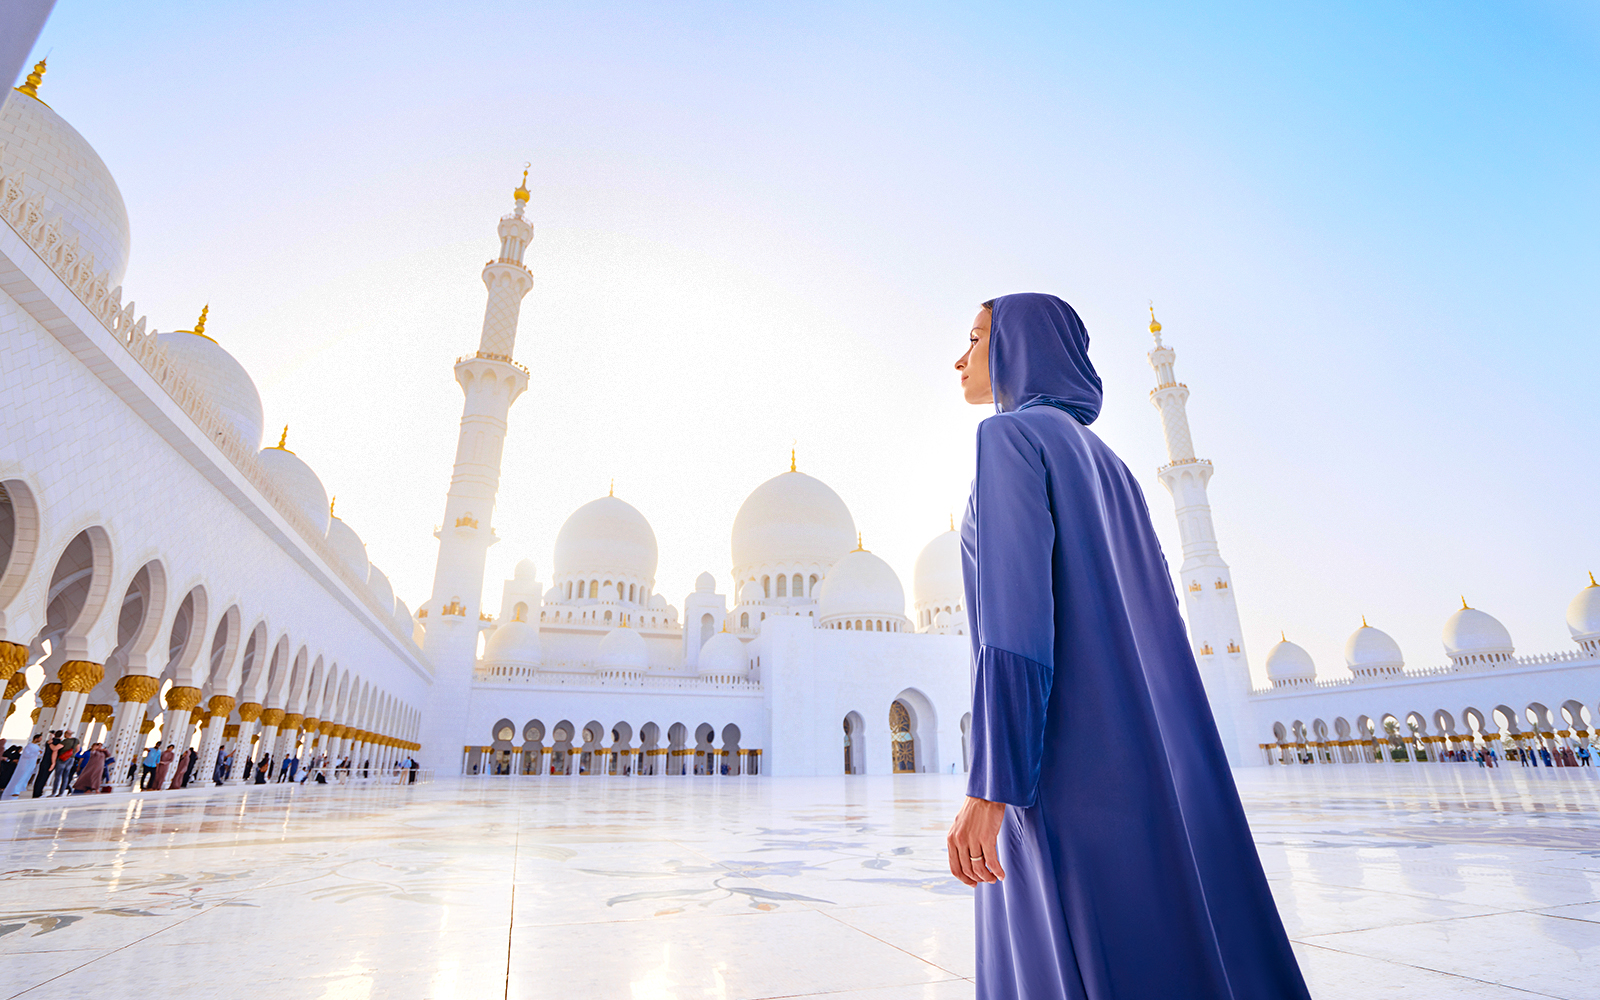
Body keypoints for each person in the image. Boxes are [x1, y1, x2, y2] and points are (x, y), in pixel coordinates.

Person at [944, 295, 1310, 1000]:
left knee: (1067, 951)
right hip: (1147, 761)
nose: (960, 357)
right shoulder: (1110, 463)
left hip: (1060, 766)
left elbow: (1014, 628)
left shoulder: (1009, 440)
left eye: (977, 337)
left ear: (1022, 348)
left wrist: (994, 784)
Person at [3, 734, 44, 800]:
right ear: (36, 738)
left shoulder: (36, 746)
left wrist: (39, 752)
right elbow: (26, 754)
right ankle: (15, 790)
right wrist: (36, 752)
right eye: (40, 738)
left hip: (31, 764)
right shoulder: (29, 746)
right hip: (25, 764)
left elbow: (40, 753)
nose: (41, 739)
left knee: (26, 777)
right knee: (21, 776)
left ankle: (21, 789)